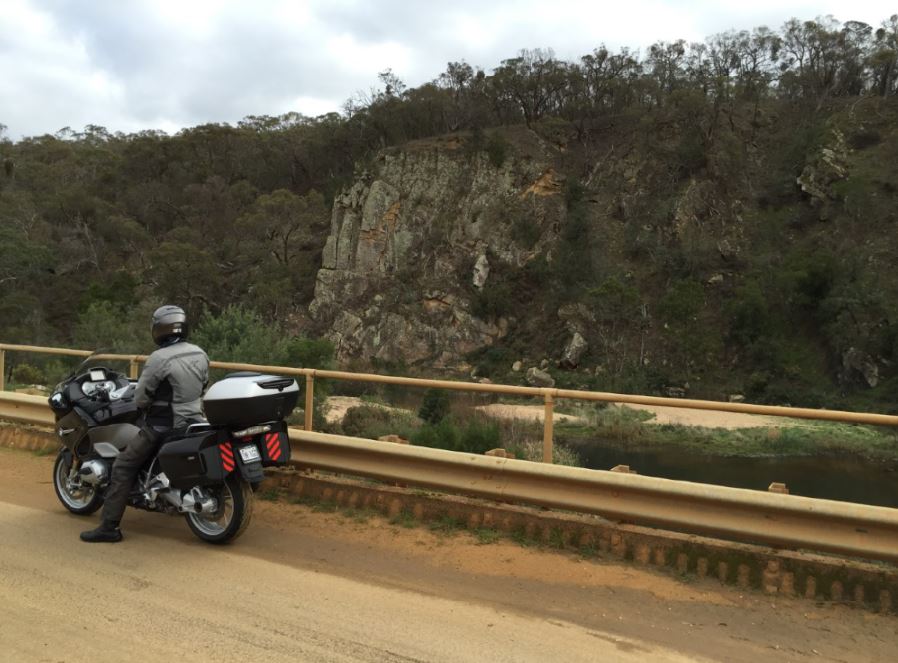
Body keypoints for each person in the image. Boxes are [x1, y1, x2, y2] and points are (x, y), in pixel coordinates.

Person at [80, 305, 209, 543]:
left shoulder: (159, 358)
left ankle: (109, 527)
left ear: (159, 329)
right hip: (194, 420)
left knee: (123, 466)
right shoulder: (199, 353)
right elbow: (203, 385)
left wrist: (144, 403)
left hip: (163, 425)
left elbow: (141, 397)